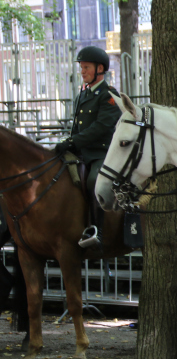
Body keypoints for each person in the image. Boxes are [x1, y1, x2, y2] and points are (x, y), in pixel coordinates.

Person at [54, 46, 122, 249]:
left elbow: (101, 127)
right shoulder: (82, 95)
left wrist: (74, 142)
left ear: (100, 69)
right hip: (82, 152)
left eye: (86, 67)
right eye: (81, 67)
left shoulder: (109, 95)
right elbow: (77, 127)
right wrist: (69, 143)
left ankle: (97, 231)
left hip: (101, 153)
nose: (82, 71)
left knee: (94, 181)